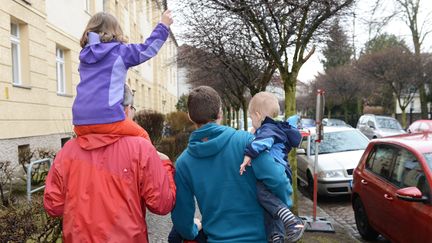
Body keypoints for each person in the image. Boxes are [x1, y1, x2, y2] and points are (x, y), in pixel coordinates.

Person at [43, 85, 176, 242]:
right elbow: (161, 204)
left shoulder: (67, 151)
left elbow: (53, 206)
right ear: (126, 109)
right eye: (133, 107)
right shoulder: (141, 148)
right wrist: (165, 165)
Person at [170, 86, 292, 242]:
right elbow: (278, 180)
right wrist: (281, 209)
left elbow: (181, 215)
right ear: (220, 113)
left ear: (190, 116)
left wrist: (192, 231)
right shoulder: (247, 142)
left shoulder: (183, 162)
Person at [72, 10, 173, 140]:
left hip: (80, 123)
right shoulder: (120, 52)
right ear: (115, 30)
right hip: (108, 119)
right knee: (142, 138)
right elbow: (148, 48)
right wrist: (163, 26)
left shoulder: (85, 55)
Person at [239, 92, 305, 242]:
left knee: (262, 193)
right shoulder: (277, 127)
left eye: (251, 118)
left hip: (276, 168)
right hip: (283, 169)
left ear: (257, 115)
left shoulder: (268, 129)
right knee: (270, 206)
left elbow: (263, 143)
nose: (251, 121)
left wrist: (248, 155)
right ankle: (276, 236)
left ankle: (291, 220)